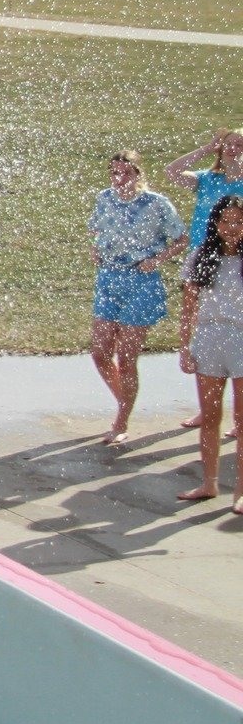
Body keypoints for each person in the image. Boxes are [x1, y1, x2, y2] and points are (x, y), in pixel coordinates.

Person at [86, 150, 187, 446]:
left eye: (126, 173)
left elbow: (181, 239)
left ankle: (121, 420)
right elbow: (95, 229)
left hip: (141, 281)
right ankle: (124, 400)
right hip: (108, 278)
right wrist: (94, 247)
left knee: (127, 357)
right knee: (100, 352)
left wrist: (159, 258)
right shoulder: (105, 198)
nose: (120, 179)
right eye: (115, 173)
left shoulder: (157, 204)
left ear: (138, 174)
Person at [165, 129, 243, 432]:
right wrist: (206, 149)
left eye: (239, 145)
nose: (234, 149)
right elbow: (171, 172)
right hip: (204, 258)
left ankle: (239, 417)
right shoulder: (206, 179)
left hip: (237, 259)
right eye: (229, 144)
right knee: (202, 327)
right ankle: (207, 407)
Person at [176, 197, 243, 510]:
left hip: (240, 338)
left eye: (238, 221)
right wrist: (184, 347)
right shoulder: (200, 256)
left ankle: (240, 492)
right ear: (215, 224)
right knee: (211, 417)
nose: (232, 228)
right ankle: (209, 483)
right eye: (226, 221)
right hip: (208, 338)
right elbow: (188, 307)